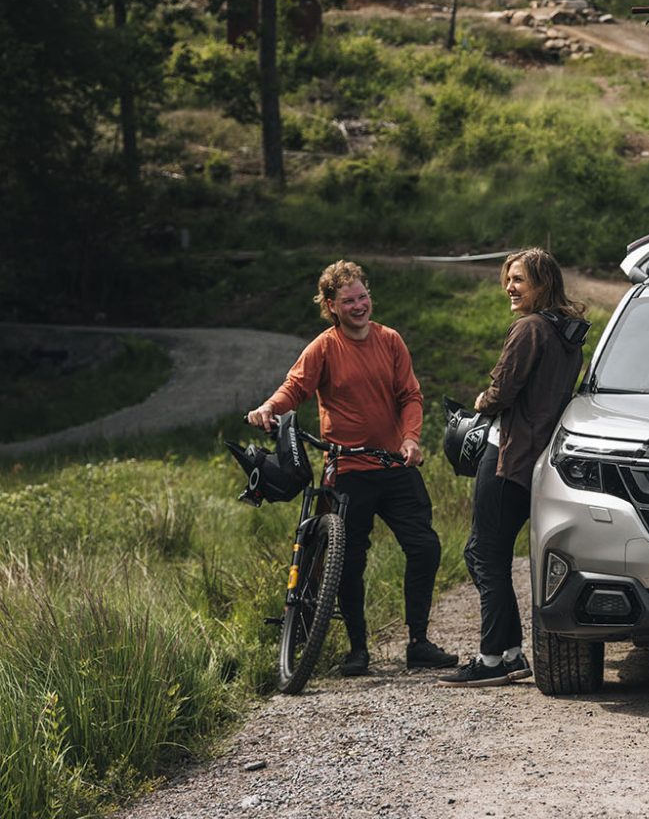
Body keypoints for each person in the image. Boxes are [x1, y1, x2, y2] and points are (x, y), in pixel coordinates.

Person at [249, 260, 458, 677]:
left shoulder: (390, 340)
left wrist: (411, 439)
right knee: (347, 560)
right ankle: (358, 648)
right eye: (348, 301)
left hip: (394, 463)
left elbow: (410, 396)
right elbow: (296, 387)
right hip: (346, 469)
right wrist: (269, 407)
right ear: (331, 306)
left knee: (425, 547)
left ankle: (418, 641)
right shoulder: (324, 347)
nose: (359, 306)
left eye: (363, 297)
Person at [443, 249, 589, 685]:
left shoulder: (529, 327)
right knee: (492, 554)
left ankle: (492, 659)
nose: (510, 287)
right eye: (508, 279)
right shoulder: (567, 333)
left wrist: (481, 401)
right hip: (538, 458)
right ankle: (510, 653)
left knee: (483, 554)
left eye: (519, 279)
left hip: (508, 454)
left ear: (543, 284)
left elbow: (502, 391)